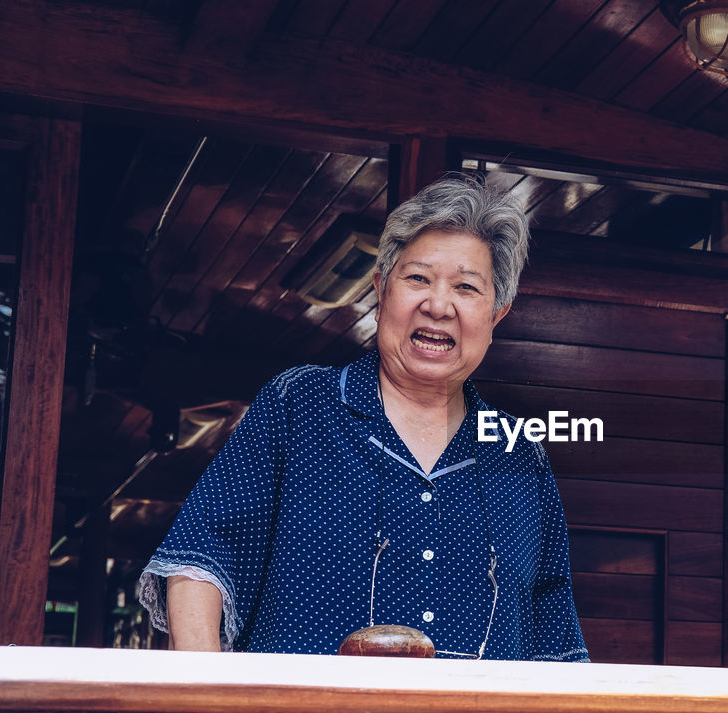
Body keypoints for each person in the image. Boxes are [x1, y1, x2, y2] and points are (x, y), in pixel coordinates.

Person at [138, 174, 588, 661]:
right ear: (380, 291)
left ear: (497, 314)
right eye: (417, 278)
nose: (438, 305)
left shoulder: (518, 454)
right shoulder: (301, 405)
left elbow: (555, 638)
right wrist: (209, 705)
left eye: (466, 287)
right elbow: (200, 557)